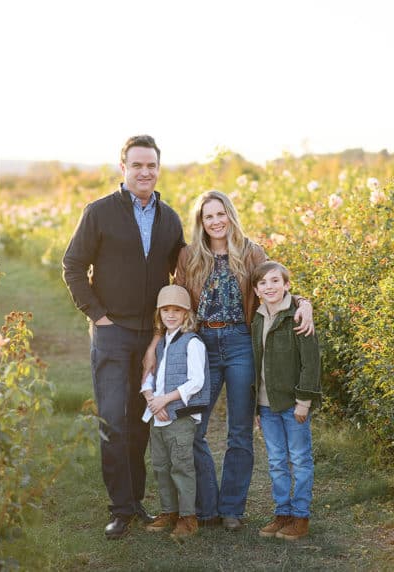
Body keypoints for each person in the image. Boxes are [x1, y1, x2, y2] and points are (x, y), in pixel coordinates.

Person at [149, 190, 313, 531]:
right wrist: (156, 342)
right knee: (193, 427)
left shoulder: (252, 253)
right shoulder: (189, 256)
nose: (216, 221)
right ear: (201, 222)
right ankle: (206, 507)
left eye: (220, 214)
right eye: (208, 216)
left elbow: (273, 287)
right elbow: (177, 301)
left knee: (239, 431)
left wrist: (302, 302)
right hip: (202, 344)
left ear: (230, 215)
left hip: (240, 343)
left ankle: (232, 509)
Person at [62, 135, 185, 539]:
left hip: (151, 338)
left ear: (158, 169)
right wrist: (97, 316)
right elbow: (74, 265)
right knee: (114, 421)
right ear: (123, 168)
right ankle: (120, 509)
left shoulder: (169, 218)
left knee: (141, 422)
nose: (145, 172)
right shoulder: (99, 212)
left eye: (151, 165)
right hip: (112, 334)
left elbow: (182, 273)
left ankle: (136, 502)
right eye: (137, 165)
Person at [251, 261, 320, 541]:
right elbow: (257, 363)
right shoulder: (257, 318)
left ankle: (300, 517)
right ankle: (282, 513)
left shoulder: (298, 316)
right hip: (267, 405)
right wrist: (256, 405)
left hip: (293, 404)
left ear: (287, 284)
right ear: (256, 289)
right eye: (264, 283)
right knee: (277, 461)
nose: (270, 287)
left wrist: (304, 402)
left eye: (275, 281)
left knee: (300, 459)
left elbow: (311, 363)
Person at [141, 285, 209, 539]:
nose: (171, 315)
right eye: (166, 310)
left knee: (181, 466)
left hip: (180, 415)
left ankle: (188, 517)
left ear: (185, 314)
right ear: (159, 313)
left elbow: (196, 382)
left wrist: (165, 401)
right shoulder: (160, 344)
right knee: (160, 465)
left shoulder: (192, 343)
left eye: (177, 310)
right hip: (157, 414)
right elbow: (149, 376)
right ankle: (169, 511)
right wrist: (152, 399)